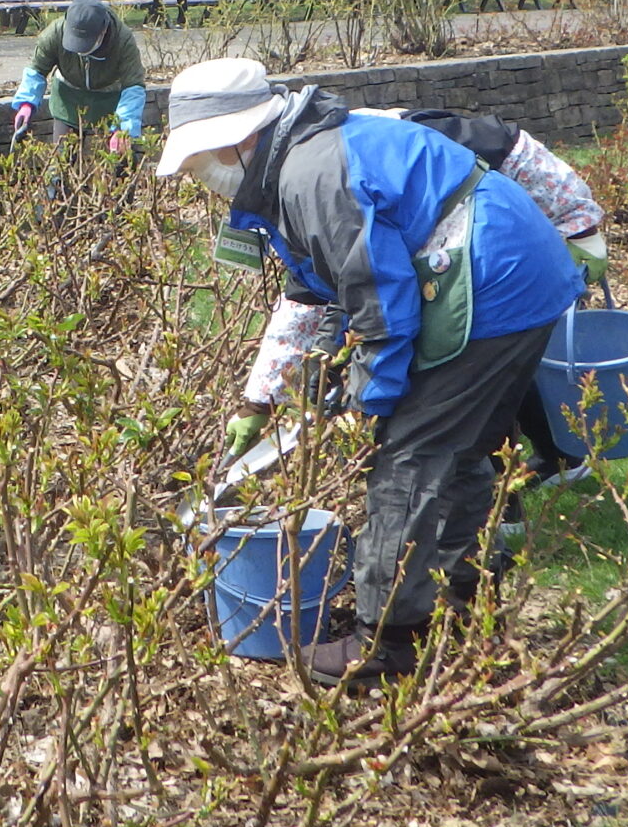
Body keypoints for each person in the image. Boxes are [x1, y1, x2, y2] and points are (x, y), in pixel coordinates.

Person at [157, 59, 583, 686]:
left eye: (199, 164)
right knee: (458, 450)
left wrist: (369, 401)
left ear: (236, 139)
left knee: (408, 456)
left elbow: (380, 300)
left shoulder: (312, 174)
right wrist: (280, 393)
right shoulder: (297, 164)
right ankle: (456, 598)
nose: (202, 180)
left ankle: (389, 643)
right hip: (511, 274)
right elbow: (323, 291)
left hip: (493, 283)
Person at [228, 106, 609, 486]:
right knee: (493, 371)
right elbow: (306, 297)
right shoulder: (312, 184)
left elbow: (514, 147)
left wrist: (579, 224)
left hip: (499, 253)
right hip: (442, 271)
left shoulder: (410, 139)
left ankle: (542, 468)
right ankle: (535, 474)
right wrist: (260, 398)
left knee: (479, 373)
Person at [10, 0, 147, 154]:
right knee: (61, 163)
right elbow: (37, 70)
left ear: (103, 30)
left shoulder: (123, 40)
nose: (81, 50)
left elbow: (133, 86)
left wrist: (124, 128)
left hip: (109, 101)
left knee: (121, 164)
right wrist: (26, 104)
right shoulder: (55, 33)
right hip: (68, 101)